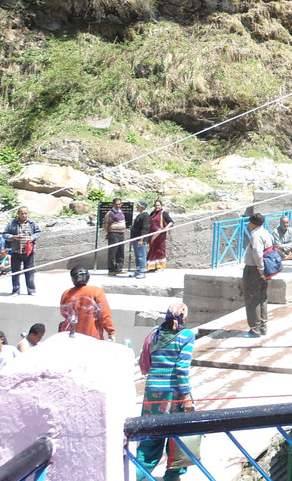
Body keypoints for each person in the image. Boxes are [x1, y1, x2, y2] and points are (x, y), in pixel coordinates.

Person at [134, 303, 196, 481]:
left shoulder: (154, 332)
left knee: (150, 439)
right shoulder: (186, 336)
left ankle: (135, 475)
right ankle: (172, 477)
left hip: (152, 392)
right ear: (183, 317)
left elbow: (145, 361)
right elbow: (182, 369)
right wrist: (185, 396)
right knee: (178, 439)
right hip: (174, 394)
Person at [59, 265, 116, 340]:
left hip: (70, 336)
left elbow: (64, 313)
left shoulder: (66, 293)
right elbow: (105, 315)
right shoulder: (97, 292)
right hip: (92, 337)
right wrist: (111, 332)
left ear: (73, 279)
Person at [242, 212, 272, 338]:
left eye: (249, 223)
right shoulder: (266, 233)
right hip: (266, 270)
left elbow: (257, 253)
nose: (248, 225)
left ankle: (254, 330)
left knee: (252, 299)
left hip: (254, 270)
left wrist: (260, 270)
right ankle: (263, 327)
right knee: (262, 299)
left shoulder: (255, 235)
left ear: (253, 223)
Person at [3, 206, 40, 295]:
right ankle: (16, 290)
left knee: (30, 271)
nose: (24, 215)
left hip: (28, 252)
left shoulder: (32, 223)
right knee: (15, 272)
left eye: (25, 213)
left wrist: (33, 237)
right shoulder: (12, 223)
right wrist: (13, 237)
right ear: (18, 214)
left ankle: (31, 290)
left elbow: (38, 232)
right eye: (22, 213)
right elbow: (5, 234)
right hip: (16, 251)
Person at [147, 199, 174, 272]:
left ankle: (160, 266)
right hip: (152, 235)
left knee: (160, 250)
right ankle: (152, 266)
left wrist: (165, 228)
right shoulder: (152, 213)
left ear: (161, 206)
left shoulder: (164, 213)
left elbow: (171, 222)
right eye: (155, 205)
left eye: (158, 205)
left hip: (160, 235)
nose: (157, 207)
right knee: (152, 250)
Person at [103, 197, 128, 275]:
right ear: (113, 204)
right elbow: (105, 225)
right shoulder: (110, 213)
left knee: (120, 252)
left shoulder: (121, 212)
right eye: (116, 204)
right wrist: (109, 232)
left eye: (120, 204)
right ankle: (112, 269)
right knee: (112, 252)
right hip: (114, 234)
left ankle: (119, 268)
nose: (118, 205)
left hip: (121, 234)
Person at [129, 200, 151, 278]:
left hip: (140, 239)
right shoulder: (139, 215)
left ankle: (143, 271)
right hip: (135, 238)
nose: (137, 207)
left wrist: (141, 239)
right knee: (137, 255)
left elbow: (145, 228)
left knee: (142, 255)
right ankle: (138, 270)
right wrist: (132, 239)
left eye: (138, 205)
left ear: (142, 207)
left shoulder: (145, 216)